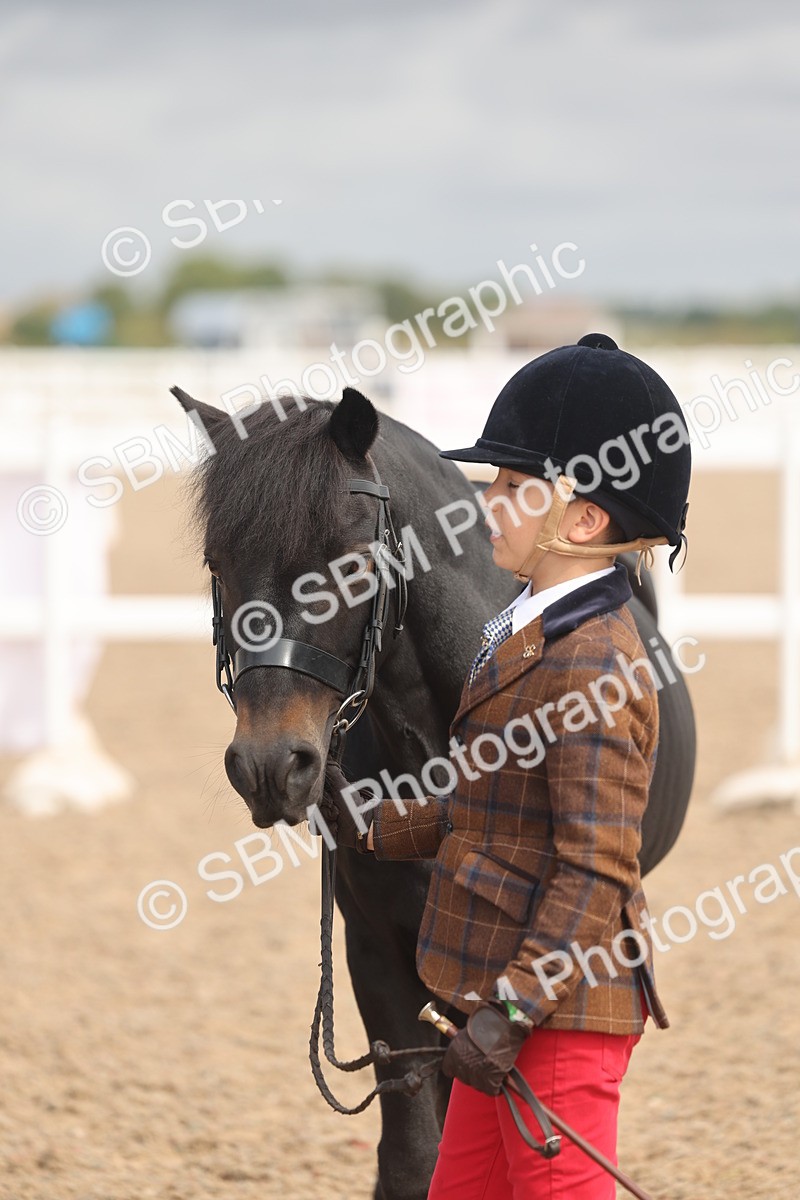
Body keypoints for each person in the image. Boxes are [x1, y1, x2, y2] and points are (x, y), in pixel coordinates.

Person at [323, 333, 691, 1198]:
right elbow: (489, 796)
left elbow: (596, 865)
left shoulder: (594, 664)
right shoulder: (526, 626)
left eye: (512, 488)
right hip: (491, 1004)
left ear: (584, 518)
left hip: (553, 1019)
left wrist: (514, 1009)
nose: (483, 502)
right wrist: (374, 826)